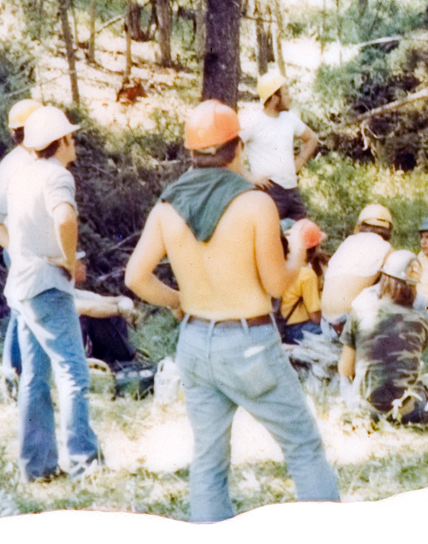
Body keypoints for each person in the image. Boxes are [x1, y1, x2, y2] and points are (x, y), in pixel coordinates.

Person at [124, 99, 339, 522]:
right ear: (238, 146)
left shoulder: (168, 205)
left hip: (195, 344)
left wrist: (178, 300)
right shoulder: (255, 203)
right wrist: (296, 250)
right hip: (249, 343)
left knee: (208, 460)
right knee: (303, 447)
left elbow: (136, 278)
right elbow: (278, 285)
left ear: (191, 152)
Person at [0, 106, 100, 482]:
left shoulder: (20, 174)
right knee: (74, 374)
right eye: (71, 137)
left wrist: (21, 249)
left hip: (22, 287)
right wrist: (66, 259)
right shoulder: (57, 176)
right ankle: (84, 463)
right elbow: (64, 217)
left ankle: (36, 465)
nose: (74, 142)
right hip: (48, 285)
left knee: (33, 376)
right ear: (59, 142)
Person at [0, 98, 43, 386]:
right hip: (21, 246)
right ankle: (12, 373)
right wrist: (18, 249)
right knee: (23, 309)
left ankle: (14, 371)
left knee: (22, 307)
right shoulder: (23, 165)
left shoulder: (16, 161)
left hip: (20, 245)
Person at [338, 250, 428, 426]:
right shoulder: (421, 321)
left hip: (365, 410)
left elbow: (345, 369)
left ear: (385, 280)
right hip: (409, 413)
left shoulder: (360, 313)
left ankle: (353, 408)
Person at [239, 71, 319, 220]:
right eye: (286, 92)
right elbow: (231, 147)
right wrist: (248, 176)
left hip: (292, 190)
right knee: (272, 238)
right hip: (269, 191)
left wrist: (299, 162)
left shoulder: (289, 118)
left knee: (302, 237)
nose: (290, 97)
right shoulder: (253, 120)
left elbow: (312, 138)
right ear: (275, 98)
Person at [320, 204, 394, 325]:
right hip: (350, 324)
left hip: (326, 323)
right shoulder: (386, 249)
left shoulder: (347, 243)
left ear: (359, 226)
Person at [278, 217, 328, 344]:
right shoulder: (307, 274)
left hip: (281, 326)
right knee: (334, 331)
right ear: (315, 247)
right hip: (296, 329)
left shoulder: (285, 265)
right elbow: (315, 316)